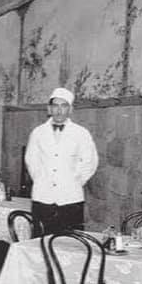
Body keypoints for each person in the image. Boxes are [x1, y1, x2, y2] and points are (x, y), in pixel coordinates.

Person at [24, 87, 98, 233]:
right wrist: (42, 179)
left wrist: (73, 180)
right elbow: (31, 160)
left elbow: (89, 162)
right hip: (42, 197)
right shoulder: (38, 132)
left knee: (70, 243)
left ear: (70, 109)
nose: (59, 110)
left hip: (71, 198)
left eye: (64, 106)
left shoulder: (81, 133)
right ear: (49, 109)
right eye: (55, 106)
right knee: (40, 241)